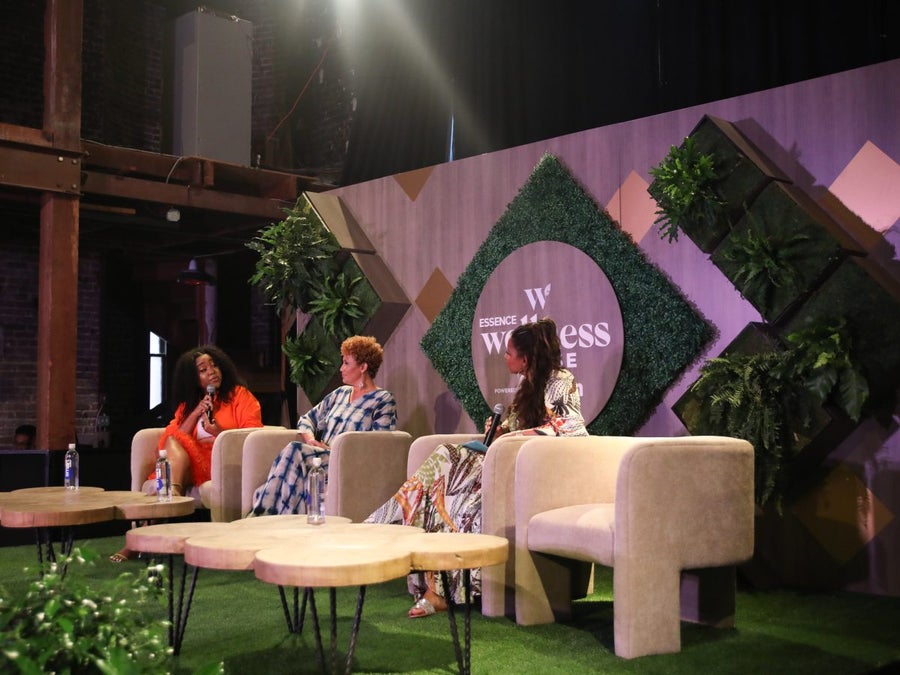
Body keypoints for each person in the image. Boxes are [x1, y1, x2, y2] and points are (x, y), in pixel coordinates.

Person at [365, 317, 588, 618]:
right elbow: (516, 427)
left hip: (533, 472)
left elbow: (571, 427)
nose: (505, 357)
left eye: (509, 352)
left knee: (452, 471)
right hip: (503, 463)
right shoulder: (527, 385)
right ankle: (396, 538)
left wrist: (512, 437)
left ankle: (391, 535)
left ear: (525, 358)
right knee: (445, 469)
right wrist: (500, 431)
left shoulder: (561, 380)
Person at [110, 344, 263, 562]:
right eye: (203, 370)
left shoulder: (240, 396)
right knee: (173, 442)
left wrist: (218, 431)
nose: (212, 372)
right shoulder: (190, 405)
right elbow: (172, 436)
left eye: (214, 365)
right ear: (194, 379)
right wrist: (197, 411)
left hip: (221, 462)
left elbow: (252, 435)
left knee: (171, 459)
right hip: (187, 466)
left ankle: (137, 539)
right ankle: (171, 495)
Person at [249, 335, 397, 515]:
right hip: (320, 456)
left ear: (363, 367)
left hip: (347, 462)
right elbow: (307, 419)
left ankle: (261, 514)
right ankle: (283, 520)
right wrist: (311, 440)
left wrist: (336, 449)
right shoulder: (340, 394)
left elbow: (379, 446)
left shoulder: (383, 400)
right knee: (297, 463)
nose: (341, 368)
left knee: (295, 450)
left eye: (346, 363)